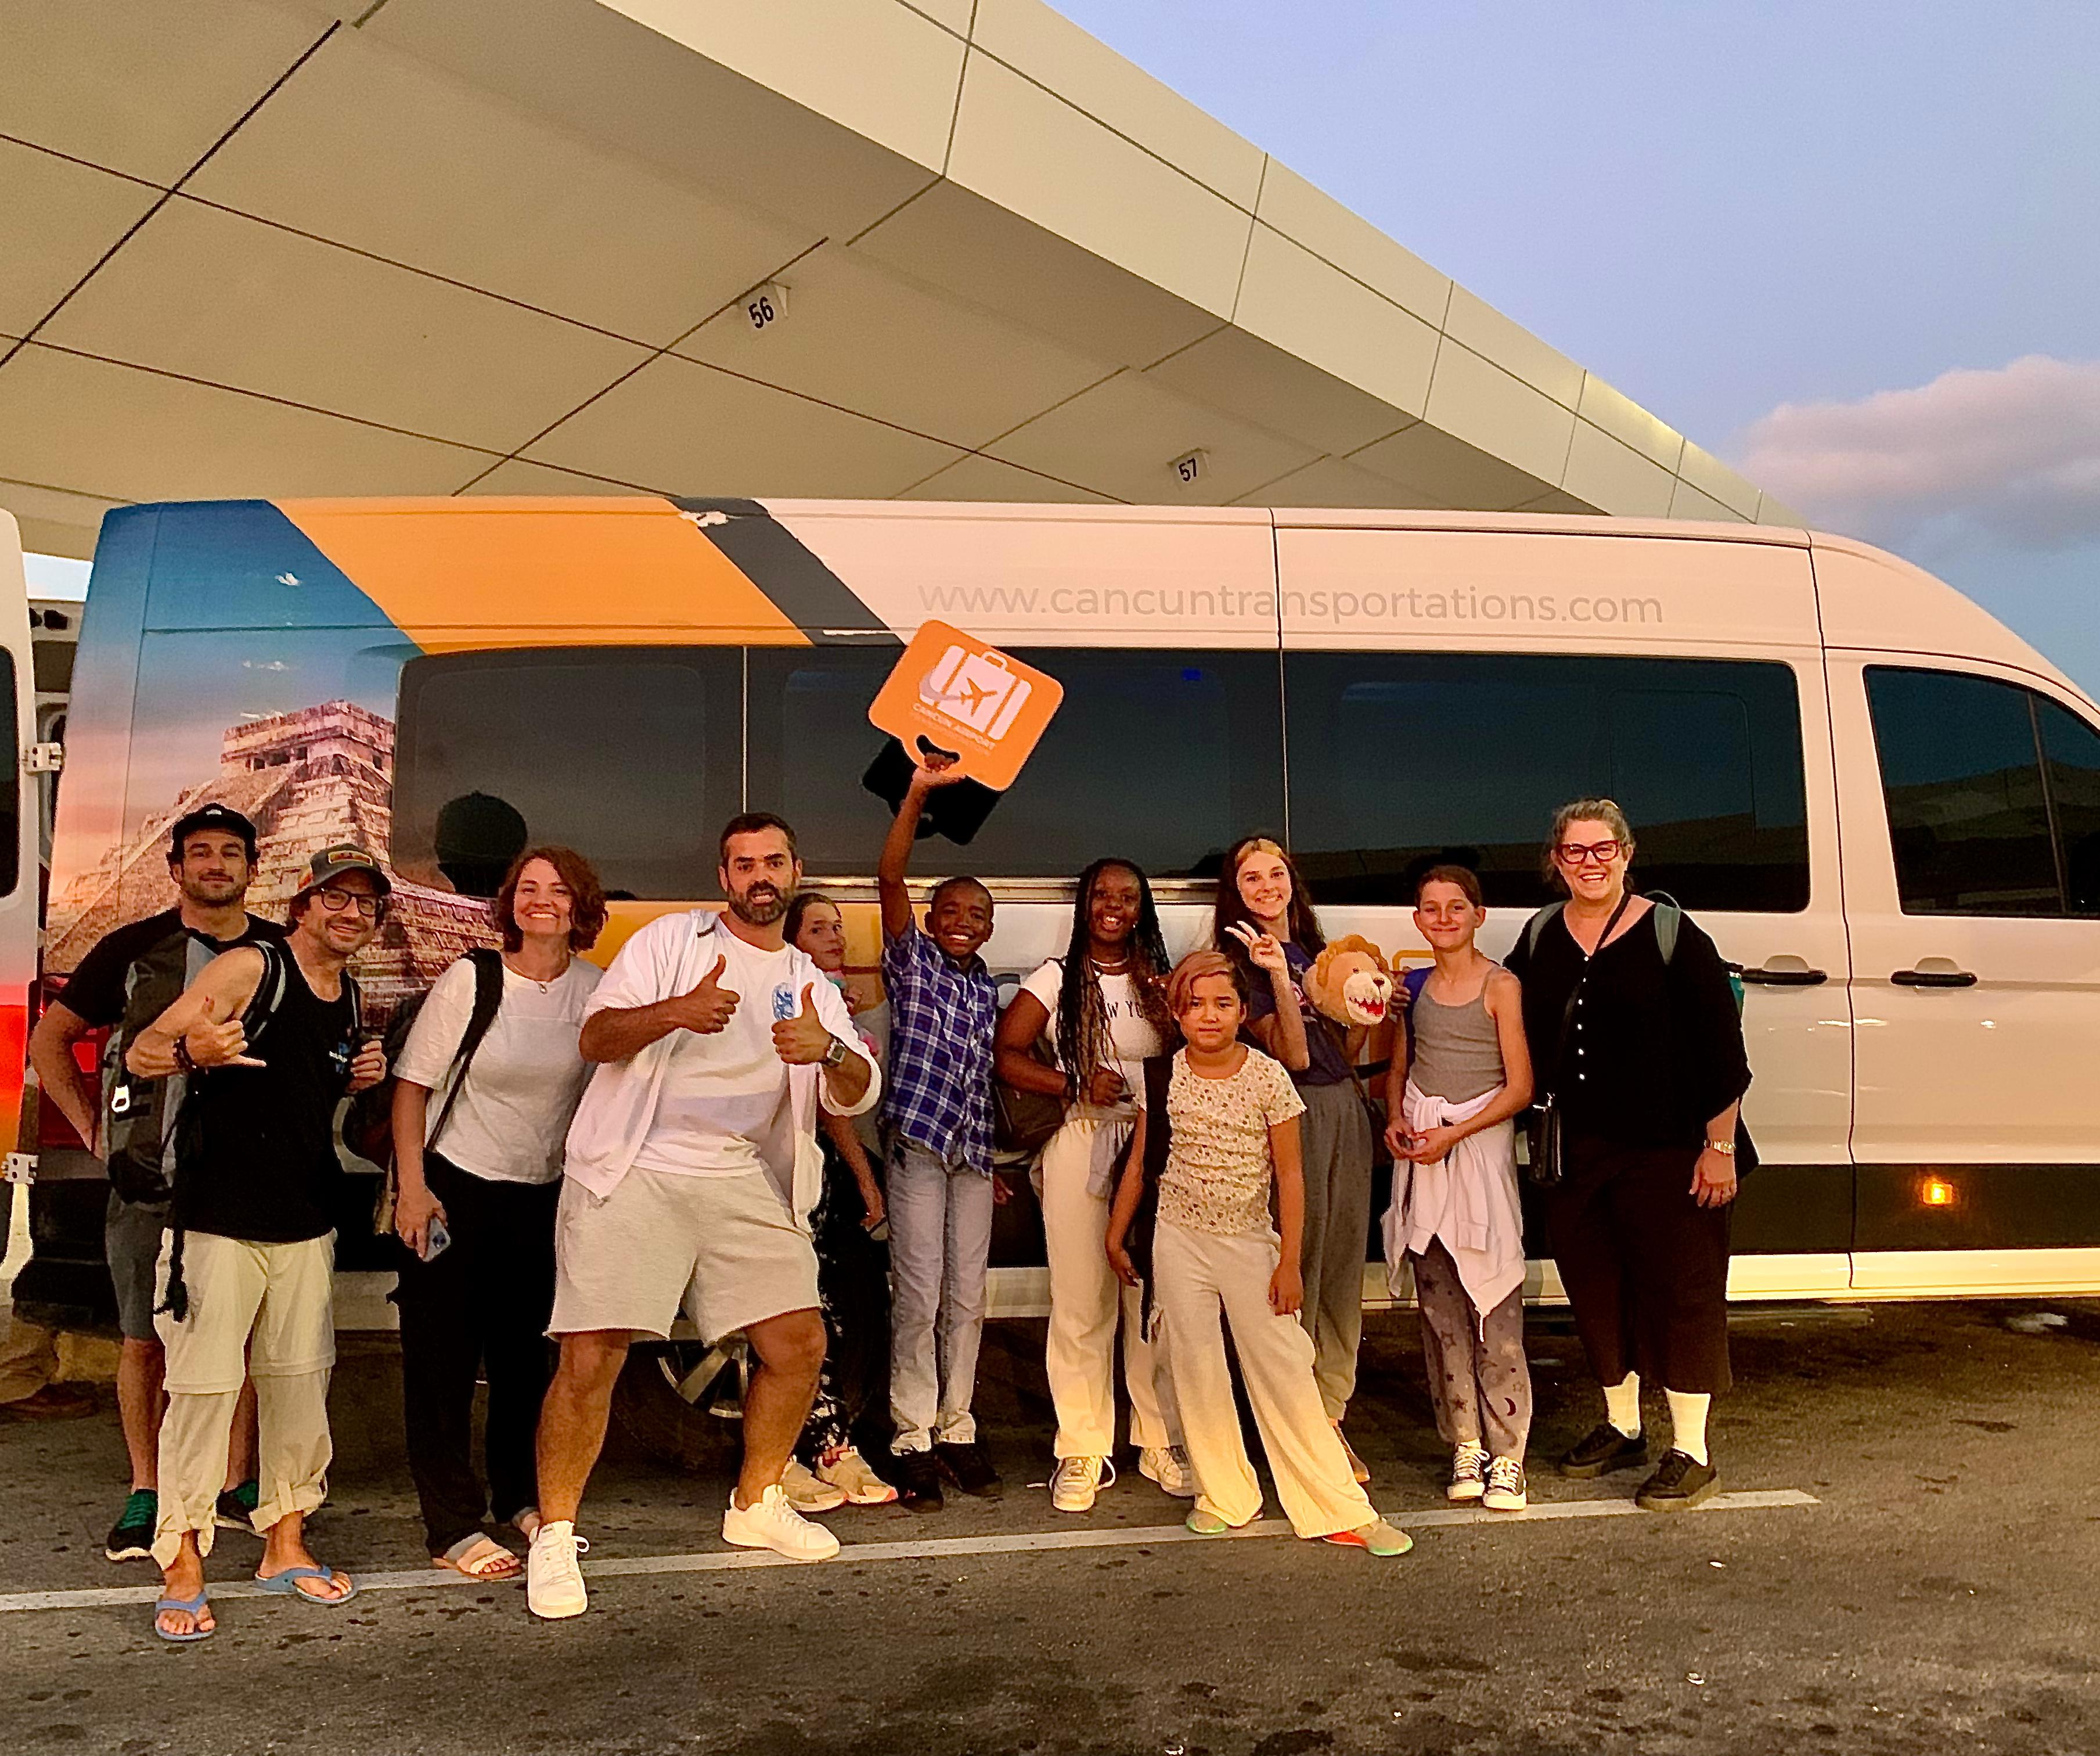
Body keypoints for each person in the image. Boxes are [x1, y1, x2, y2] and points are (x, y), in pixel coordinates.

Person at [525, 814, 880, 1620]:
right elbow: (596, 1037)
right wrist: (675, 1012)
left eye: (774, 862)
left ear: (795, 872)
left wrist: (828, 1049)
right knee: (592, 1356)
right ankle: (554, 1536)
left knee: (799, 1344)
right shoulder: (668, 944)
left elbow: (857, 1091)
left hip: (743, 1177)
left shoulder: (808, 978)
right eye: (743, 864)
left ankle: (755, 1504)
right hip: (637, 1166)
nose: (760, 876)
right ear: (724, 878)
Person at [124, 844, 391, 1642]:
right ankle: (183, 1560)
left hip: (304, 1220)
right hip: (217, 1218)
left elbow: (299, 1083)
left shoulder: (346, 993)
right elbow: (143, 1052)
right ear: (302, 904)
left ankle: (285, 1540)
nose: (350, 915)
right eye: (335, 900)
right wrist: (187, 1052)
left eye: (365, 906)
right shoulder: (251, 967)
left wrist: (351, 1077)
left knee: (300, 1387)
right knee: (203, 1391)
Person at [29, 805, 276, 1564]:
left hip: (249, 1178)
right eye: (198, 853)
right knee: (144, 1340)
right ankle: (149, 1486)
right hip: (148, 1174)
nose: (214, 865)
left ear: (251, 868)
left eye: (229, 853)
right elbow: (51, 1040)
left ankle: (234, 1483)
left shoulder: (278, 953)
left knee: (242, 1341)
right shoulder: (133, 950)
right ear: (175, 868)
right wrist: (95, 1131)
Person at [1106, 952, 1410, 1556]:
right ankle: (1223, 1493)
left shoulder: (1268, 1076)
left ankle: (1335, 1506)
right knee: (1194, 1363)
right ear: (1176, 1012)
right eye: (1194, 1005)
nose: (1208, 1016)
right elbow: (1142, 1162)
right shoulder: (1161, 1075)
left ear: (1244, 1012)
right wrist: (1115, 1235)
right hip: (1178, 1239)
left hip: (1249, 1241)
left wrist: (1288, 1260)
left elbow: (1290, 1177)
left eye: (1222, 1004)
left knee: (1283, 1365)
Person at [1502, 799, 1752, 1512]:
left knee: (1679, 1294)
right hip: (1576, 1151)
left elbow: (1722, 1051)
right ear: (1555, 861)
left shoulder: (1674, 934)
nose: (1588, 862)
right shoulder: (1542, 934)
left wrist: (1718, 1146)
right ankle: (1622, 1424)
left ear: (1626, 853)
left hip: (1669, 1150)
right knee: (1596, 1289)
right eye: (1574, 852)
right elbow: (1503, 1009)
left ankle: (1691, 1450)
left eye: (1601, 849)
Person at [389, 847, 608, 1579]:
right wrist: (411, 1190)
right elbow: (412, 1088)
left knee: (524, 1362)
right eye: (527, 888)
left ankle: (518, 1493)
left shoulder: (595, 990)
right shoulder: (473, 979)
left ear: (581, 906)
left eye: (556, 890)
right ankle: (450, 1523)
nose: (539, 900)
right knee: (442, 1363)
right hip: (456, 1186)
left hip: (543, 1195)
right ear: (509, 901)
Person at [995, 858, 1188, 1513]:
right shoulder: (1056, 977)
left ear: (1142, 908)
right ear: (1084, 904)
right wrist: (1072, 1085)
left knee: (1149, 1296)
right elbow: (1007, 1054)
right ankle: (1081, 1447)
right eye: (1101, 895)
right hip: (1081, 1139)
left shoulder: (1156, 978)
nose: (1113, 906)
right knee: (1081, 1299)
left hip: (1153, 1145)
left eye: (1127, 897)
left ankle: (1157, 1438)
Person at [1213, 836, 1379, 1481]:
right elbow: (1292, 1054)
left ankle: (1330, 1413)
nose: (1266, 887)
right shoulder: (1237, 963)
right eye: (1250, 877)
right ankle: (1295, 1419)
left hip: (1344, 1109)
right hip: (1293, 1117)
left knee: (1341, 1264)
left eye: (1275, 873)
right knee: (1297, 1265)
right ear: (1235, 889)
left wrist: (1368, 1005)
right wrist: (1278, 975)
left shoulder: (1319, 948)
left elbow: (1344, 1043)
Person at [1381, 865, 1536, 1510]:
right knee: (1442, 1315)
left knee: (1493, 1310)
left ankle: (1508, 1455)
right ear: (1416, 919)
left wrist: (1456, 1133)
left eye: (1454, 907)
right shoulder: (1411, 989)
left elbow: (1519, 1086)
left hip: (1474, 1156)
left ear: (1477, 914)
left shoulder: (1500, 986)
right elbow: (1399, 1066)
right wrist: (1396, 1117)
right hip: (1423, 1157)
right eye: (1429, 908)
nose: (1442, 918)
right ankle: (1464, 1443)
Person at [874, 761, 1004, 1511]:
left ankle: (957, 1424)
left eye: (976, 915)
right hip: (920, 1152)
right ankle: (910, 1435)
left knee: (968, 1298)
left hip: (974, 1159)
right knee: (919, 1296)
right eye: (950, 909)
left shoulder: (987, 985)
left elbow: (984, 1078)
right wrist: (917, 797)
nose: (962, 920)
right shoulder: (912, 963)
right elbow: (891, 875)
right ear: (930, 918)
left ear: (988, 928)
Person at [780, 890, 899, 1512]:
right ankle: (806, 1450)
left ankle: (828, 1443)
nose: (836, 938)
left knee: (841, 1309)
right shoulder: (801, 1001)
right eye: (819, 927)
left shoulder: (834, 998)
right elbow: (828, 1109)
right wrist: (864, 1176)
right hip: (809, 1166)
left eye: (838, 927)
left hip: (829, 1163)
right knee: (811, 1309)